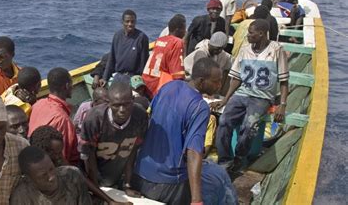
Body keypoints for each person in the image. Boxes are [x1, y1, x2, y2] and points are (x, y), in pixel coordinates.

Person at [132, 58, 236, 204]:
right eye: (216, 81)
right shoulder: (200, 107)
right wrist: (196, 199)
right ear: (201, 81)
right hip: (169, 182)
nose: (220, 85)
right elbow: (194, 152)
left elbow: (149, 118)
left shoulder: (168, 86)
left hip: (140, 171)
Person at [212, 19, 289, 172]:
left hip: (262, 97)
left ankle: (240, 157)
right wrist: (225, 99)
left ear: (261, 34)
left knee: (249, 126)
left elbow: (284, 81)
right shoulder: (245, 49)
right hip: (242, 94)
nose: (247, 35)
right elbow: (236, 78)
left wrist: (282, 105)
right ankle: (225, 160)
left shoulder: (276, 50)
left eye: (251, 33)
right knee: (224, 121)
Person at [30, 126, 130, 205]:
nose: (59, 157)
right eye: (55, 153)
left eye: (60, 152)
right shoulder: (32, 172)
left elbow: (81, 178)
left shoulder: (59, 161)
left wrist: (109, 201)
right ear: (42, 151)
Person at [79, 82, 147, 194]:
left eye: (127, 104)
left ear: (133, 99)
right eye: (116, 105)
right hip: (95, 178)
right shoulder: (94, 119)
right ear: (108, 103)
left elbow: (132, 150)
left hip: (118, 174)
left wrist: (127, 184)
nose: (122, 110)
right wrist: (97, 190)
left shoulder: (140, 116)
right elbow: (88, 156)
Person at [28, 67, 79, 165]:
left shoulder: (38, 104)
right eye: (71, 84)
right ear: (67, 86)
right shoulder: (62, 119)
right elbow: (62, 157)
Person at [10, 146, 92, 205]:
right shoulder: (21, 196)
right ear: (29, 179)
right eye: (43, 175)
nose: (52, 177)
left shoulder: (72, 176)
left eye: (52, 169)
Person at [142, 14, 186, 97]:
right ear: (178, 29)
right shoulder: (177, 43)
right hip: (158, 88)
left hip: (147, 84)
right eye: (184, 28)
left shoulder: (160, 40)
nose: (185, 31)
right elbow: (178, 75)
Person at [102, 10, 149, 85]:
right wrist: (105, 78)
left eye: (132, 22)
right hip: (118, 76)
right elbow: (112, 59)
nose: (130, 24)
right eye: (127, 21)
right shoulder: (117, 36)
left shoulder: (142, 38)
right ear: (122, 22)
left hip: (134, 77)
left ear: (135, 22)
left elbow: (144, 63)